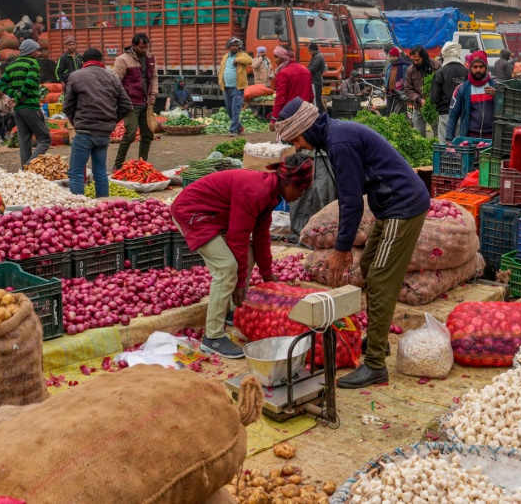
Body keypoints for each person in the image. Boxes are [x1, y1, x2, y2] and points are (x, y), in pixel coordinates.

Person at [276, 98, 430, 388]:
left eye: (296, 138)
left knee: (382, 278)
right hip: (388, 205)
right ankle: (377, 342)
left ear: (306, 128)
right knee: (371, 266)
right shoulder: (334, 136)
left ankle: (374, 365)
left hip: (403, 205)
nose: (299, 146)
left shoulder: (339, 143)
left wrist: (342, 248)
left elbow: (350, 202)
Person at [172, 153, 315, 358]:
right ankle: (213, 337)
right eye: (300, 189)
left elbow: (260, 235)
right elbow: (237, 237)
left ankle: (230, 310)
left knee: (247, 255)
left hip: (215, 215)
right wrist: (240, 283)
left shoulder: (271, 193)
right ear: (288, 182)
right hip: (193, 212)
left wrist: (267, 273)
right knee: (226, 268)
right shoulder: (256, 191)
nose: (300, 195)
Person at [64, 48, 131, 197]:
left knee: (76, 172)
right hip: (104, 133)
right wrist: (112, 121)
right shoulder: (112, 77)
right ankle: (103, 207)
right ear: (101, 61)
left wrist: (76, 122)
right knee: (100, 172)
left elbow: (67, 106)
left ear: (83, 62)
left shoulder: (76, 76)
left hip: (85, 132)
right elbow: (126, 105)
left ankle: (78, 210)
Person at [0, 39, 50, 166]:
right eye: (36, 50)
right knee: (45, 139)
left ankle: (24, 172)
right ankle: (29, 166)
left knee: (24, 142)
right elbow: (29, 82)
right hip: (30, 106)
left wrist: (13, 94)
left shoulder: (11, 65)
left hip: (18, 110)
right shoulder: (33, 63)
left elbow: (2, 85)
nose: (39, 54)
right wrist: (18, 97)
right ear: (30, 51)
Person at [113, 33, 157, 169]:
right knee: (130, 134)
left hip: (146, 103)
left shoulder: (150, 58)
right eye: (141, 47)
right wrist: (121, 100)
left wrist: (154, 94)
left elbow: (154, 77)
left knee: (148, 134)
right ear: (134, 46)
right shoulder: (123, 59)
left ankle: (143, 163)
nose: (144, 50)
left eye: (146, 47)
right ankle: (118, 163)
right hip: (131, 103)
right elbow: (116, 81)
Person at [446, 51, 495, 141]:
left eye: (481, 67)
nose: (478, 70)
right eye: (475, 67)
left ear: (486, 67)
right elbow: (453, 115)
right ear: (470, 67)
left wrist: (497, 95)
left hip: (492, 137)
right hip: (470, 138)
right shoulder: (462, 89)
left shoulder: (495, 86)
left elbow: (507, 109)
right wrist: (449, 138)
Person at [430, 42, 468, 144]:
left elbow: (434, 98)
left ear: (444, 55)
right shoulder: (466, 71)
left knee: (445, 146)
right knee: (461, 146)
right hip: (463, 115)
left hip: (445, 114)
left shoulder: (440, 73)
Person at [269, 47, 313, 130]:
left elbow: (280, 98)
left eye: (276, 57)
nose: (275, 60)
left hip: (289, 114)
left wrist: (274, 119)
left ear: (283, 58)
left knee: (286, 140)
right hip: (304, 112)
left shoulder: (283, 73)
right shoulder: (305, 70)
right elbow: (310, 94)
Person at [218, 37, 253, 136]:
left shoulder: (242, 55)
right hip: (227, 87)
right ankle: (239, 127)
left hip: (237, 88)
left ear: (239, 47)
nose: (234, 47)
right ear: (229, 47)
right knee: (229, 110)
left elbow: (250, 60)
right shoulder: (225, 56)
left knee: (235, 109)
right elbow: (221, 69)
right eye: (232, 46)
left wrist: (237, 60)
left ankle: (233, 130)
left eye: (236, 46)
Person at [403, 46, 433, 137]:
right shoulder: (410, 70)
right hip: (418, 106)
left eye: (417, 60)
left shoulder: (436, 66)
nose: (415, 62)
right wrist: (419, 99)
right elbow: (408, 89)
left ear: (423, 57)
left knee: (439, 134)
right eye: (413, 60)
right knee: (418, 135)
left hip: (435, 107)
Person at [383, 46, 410, 116]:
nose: (391, 58)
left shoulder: (404, 66)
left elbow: (407, 78)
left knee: (398, 110)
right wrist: (385, 86)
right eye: (391, 56)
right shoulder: (390, 66)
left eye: (393, 56)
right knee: (389, 110)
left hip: (400, 92)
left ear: (397, 56)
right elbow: (386, 77)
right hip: (390, 92)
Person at [307, 42, 328, 115]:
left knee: (315, 99)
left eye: (310, 51)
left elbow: (313, 69)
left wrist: (305, 71)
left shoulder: (318, 57)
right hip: (315, 81)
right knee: (317, 98)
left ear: (314, 50)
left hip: (316, 81)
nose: (310, 53)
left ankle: (317, 115)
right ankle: (320, 114)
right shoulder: (316, 56)